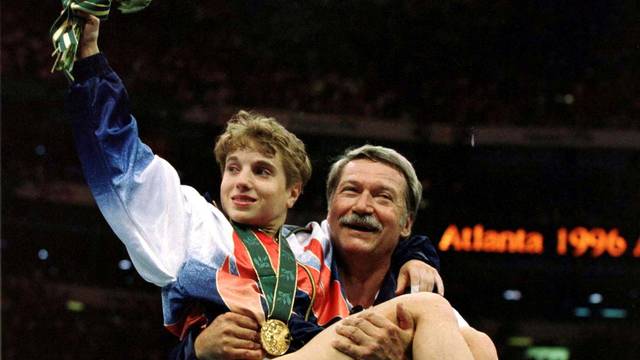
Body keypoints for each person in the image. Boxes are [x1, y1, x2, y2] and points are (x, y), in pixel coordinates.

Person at [66, 13, 457, 360]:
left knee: (480, 345)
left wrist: (418, 254)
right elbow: (123, 165)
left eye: (262, 171)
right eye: (233, 168)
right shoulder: (193, 227)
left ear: (294, 192)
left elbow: (371, 230)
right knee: (431, 310)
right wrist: (89, 58)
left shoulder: (316, 245)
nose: (243, 182)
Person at [185, 146, 498, 360]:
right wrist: (196, 349)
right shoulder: (288, 253)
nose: (362, 207)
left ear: (407, 224)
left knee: (481, 346)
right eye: (350, 191)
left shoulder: (415, 283)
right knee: (432, 307)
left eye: (383, 197)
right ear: (329, 207)